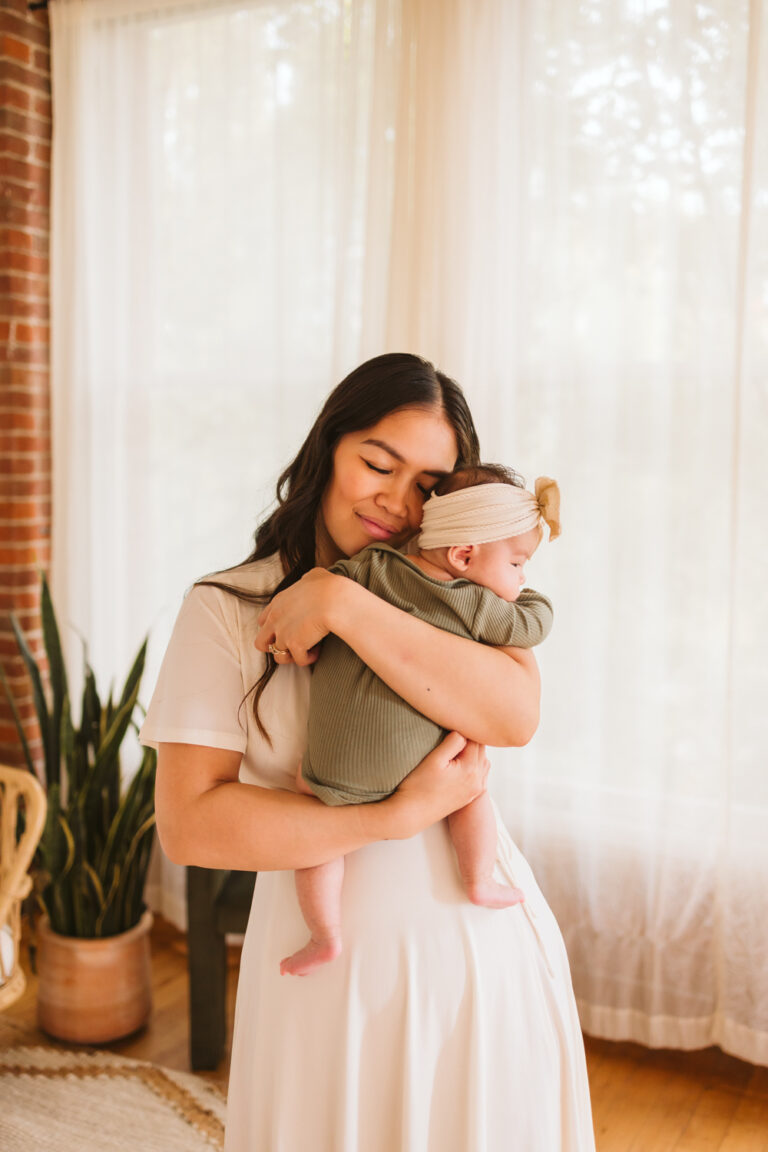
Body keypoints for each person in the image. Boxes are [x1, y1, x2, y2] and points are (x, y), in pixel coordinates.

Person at [142, 353, 595, 1152]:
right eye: (377, 464)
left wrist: (343, 602)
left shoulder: (467, 596)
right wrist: (395, 818)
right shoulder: (226, 609)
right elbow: (191, 827)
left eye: (429, 486)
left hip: (480, 962)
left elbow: (516, 714)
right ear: (327, 452)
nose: (397, 499)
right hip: (324, 973)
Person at [282, 464, 560, 978]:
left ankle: (324, 933)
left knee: (315, 833)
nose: (521, 578)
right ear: (463, 556)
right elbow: (533, 624)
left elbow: (316, 608)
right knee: (471, 791)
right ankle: (477, 878)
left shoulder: (367, 568)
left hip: (333, 771)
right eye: (519, 563)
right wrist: (529, 596)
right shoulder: (475, 604)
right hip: (420, 771)